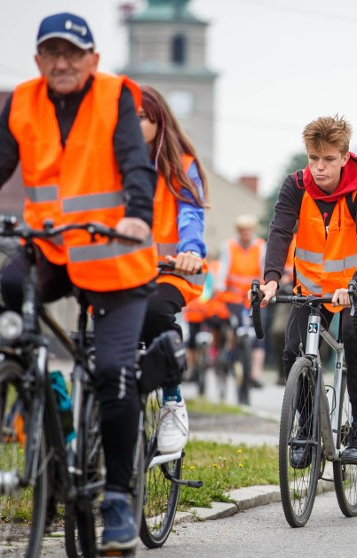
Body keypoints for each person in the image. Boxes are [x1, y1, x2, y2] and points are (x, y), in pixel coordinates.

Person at [0, 13, 155, 550]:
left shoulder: (114, 97)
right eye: (52, 53)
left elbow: (136, 164)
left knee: (113, 370)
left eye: (73, 53)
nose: (62, 63)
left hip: (115, 255)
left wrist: (139, 213)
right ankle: (30, 382)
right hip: (53, 249)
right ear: (39, 60)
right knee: (9, 288)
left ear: (92, 60)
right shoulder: (23, 101)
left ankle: (116, 497)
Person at [259, 115, 357, 465]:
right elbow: (279, 231)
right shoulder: (296, 186)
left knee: (355, 335)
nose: (319, 168)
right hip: (314, 288)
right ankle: (305, 422)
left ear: (344, 157)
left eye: (328, 160)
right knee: (292, 349)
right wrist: (271, 278)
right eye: (313, 158)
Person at [137, 85, 208, 453]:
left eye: (140, 118)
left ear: (158, 120)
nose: (132, 125)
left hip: (171, 270)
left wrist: (191, 250)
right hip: (124, 270)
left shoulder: (181, 165)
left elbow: (190, 215)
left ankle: (172, 399)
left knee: (153, 312)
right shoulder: (114, 160)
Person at [216, 214, 266, 391]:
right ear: (238, 231)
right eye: (243, 230)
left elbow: (264, 267)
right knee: (235, 327)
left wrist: (266, 286)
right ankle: (230, 357)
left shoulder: (260, 246)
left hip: (254, 296)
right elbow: (223, 268)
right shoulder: (229, 246)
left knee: (259, 335)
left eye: (249, 230)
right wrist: (219, 285)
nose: (246, 234)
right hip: (234, 296)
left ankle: (254, 375)